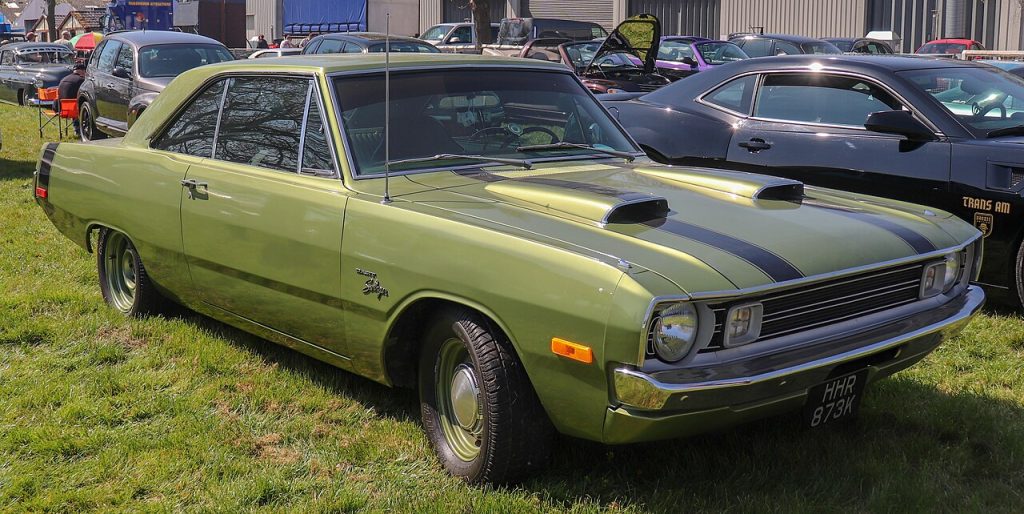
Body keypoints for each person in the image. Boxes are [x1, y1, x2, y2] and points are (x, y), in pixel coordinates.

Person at [58, 64, 86, 136]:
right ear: (82, 71)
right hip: (73, 110)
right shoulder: (81, 80)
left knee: (74, 104)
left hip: (60, 108)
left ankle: (77, 129)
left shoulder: (63, 79)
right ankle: (81, 129)